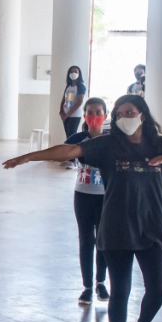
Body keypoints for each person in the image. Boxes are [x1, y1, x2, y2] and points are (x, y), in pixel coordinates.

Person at [4, 95, 162, 322]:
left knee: (158, 290)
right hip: (116, 228)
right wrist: (27, 156)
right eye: (119, 113)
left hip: (152, 226)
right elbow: (70, 151)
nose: (124, 117)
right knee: (119, 292)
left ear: (142, 115)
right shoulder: (107, 145)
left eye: (129, 112)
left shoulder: (158, 143)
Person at [66, 98, 110, 306]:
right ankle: (87, 287)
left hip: (105, 196)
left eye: (98, 112)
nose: (94, 116)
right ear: (84, 116)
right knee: (86, 240)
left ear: (106, 115)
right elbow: (61, 152)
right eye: (90, 112)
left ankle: (101, 282)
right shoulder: (78, 138)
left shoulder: (112, 139)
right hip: (83, 194)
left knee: (103, 241)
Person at [59, 65, 87, 138]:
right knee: (68, 135)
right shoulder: (68, 85)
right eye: (71, 72)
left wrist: (68, 114)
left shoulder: (81, 86)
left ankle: (72, 149)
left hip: (74, 115)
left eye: (75, 71)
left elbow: (79, 102)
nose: (73, 73)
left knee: (71, 135)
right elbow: (64, 99)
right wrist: (61, 112)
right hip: (66, 114)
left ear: (79, 74)